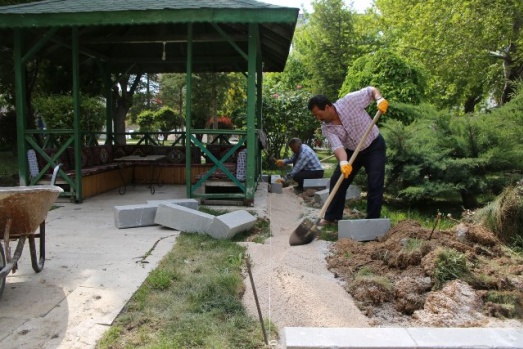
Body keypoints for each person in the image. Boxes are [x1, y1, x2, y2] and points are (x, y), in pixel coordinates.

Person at [307, 86, 388, 223]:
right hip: (351, 151)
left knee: (375, 182)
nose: (317, 118)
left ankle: (372, 221)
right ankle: (332, 217)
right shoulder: (326, 127)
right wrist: (344, 162)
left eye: (318, 114)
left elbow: (370, 90)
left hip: (374, 145)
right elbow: (337, 146)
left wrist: (379, 99)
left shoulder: (349, 101)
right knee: (337, 180)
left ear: (327, 107)